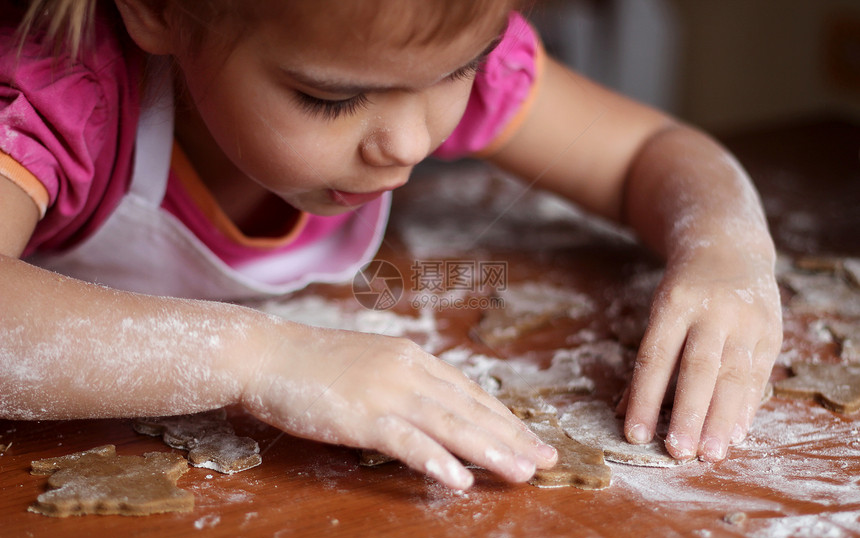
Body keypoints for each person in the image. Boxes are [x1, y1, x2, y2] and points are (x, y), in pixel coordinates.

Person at [0, 0, 782, 491]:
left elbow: (652, 153)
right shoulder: (64, 93)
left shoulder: (417, 38)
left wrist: (725, 250)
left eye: (462, 71)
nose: (407, 142)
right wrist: (267, 361)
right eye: (330, 98)